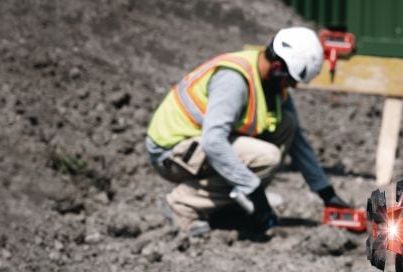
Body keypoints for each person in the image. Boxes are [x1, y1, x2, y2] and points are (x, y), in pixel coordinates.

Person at [145, 26, 351, 237]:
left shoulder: (272, 83)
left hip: (198, 148)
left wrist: (326, 193)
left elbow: (297, 140)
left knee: (287, 124)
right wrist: (254, 191)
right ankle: (182, 205)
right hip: (172, 152)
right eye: (291, 79)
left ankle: (224, 207)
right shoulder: (234, 80)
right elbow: (213, 142)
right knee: (267, 157)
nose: (294, 86)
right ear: (278, 66)